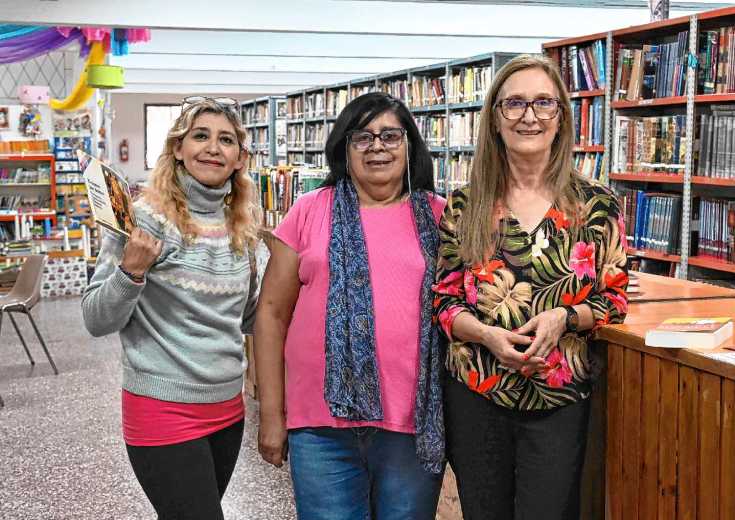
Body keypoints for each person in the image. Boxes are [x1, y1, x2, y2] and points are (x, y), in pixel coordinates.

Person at [433, 55, 630, 520]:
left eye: (544, 103)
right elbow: (443, 301)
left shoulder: (596, 205)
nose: (530, 116)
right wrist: (485, 335)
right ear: (495, 119)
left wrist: (565, 316)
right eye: (515, 104)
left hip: (559, 397)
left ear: (561, 117)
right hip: (476, 393)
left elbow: (615, 299)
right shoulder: (465, 205)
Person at [255, 92, 446, 520]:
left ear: (410, 145)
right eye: (362, 137)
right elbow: (270, 314)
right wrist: (272, 413)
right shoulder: (308, 211)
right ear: (345, 147)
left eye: (390, 136)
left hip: (410, 428)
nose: (377, 146)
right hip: (321, 428)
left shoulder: (440, 216)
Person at [82, 96, 260, 519]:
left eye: (226, 140)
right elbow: (94, 318)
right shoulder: (145, 220)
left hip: (227, 409)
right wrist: (130, 272)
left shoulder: (243, 229)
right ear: (178, 148)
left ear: (240, 158)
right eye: (200, 136)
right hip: (163, 409)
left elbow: (248, 318)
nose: (213, 148)